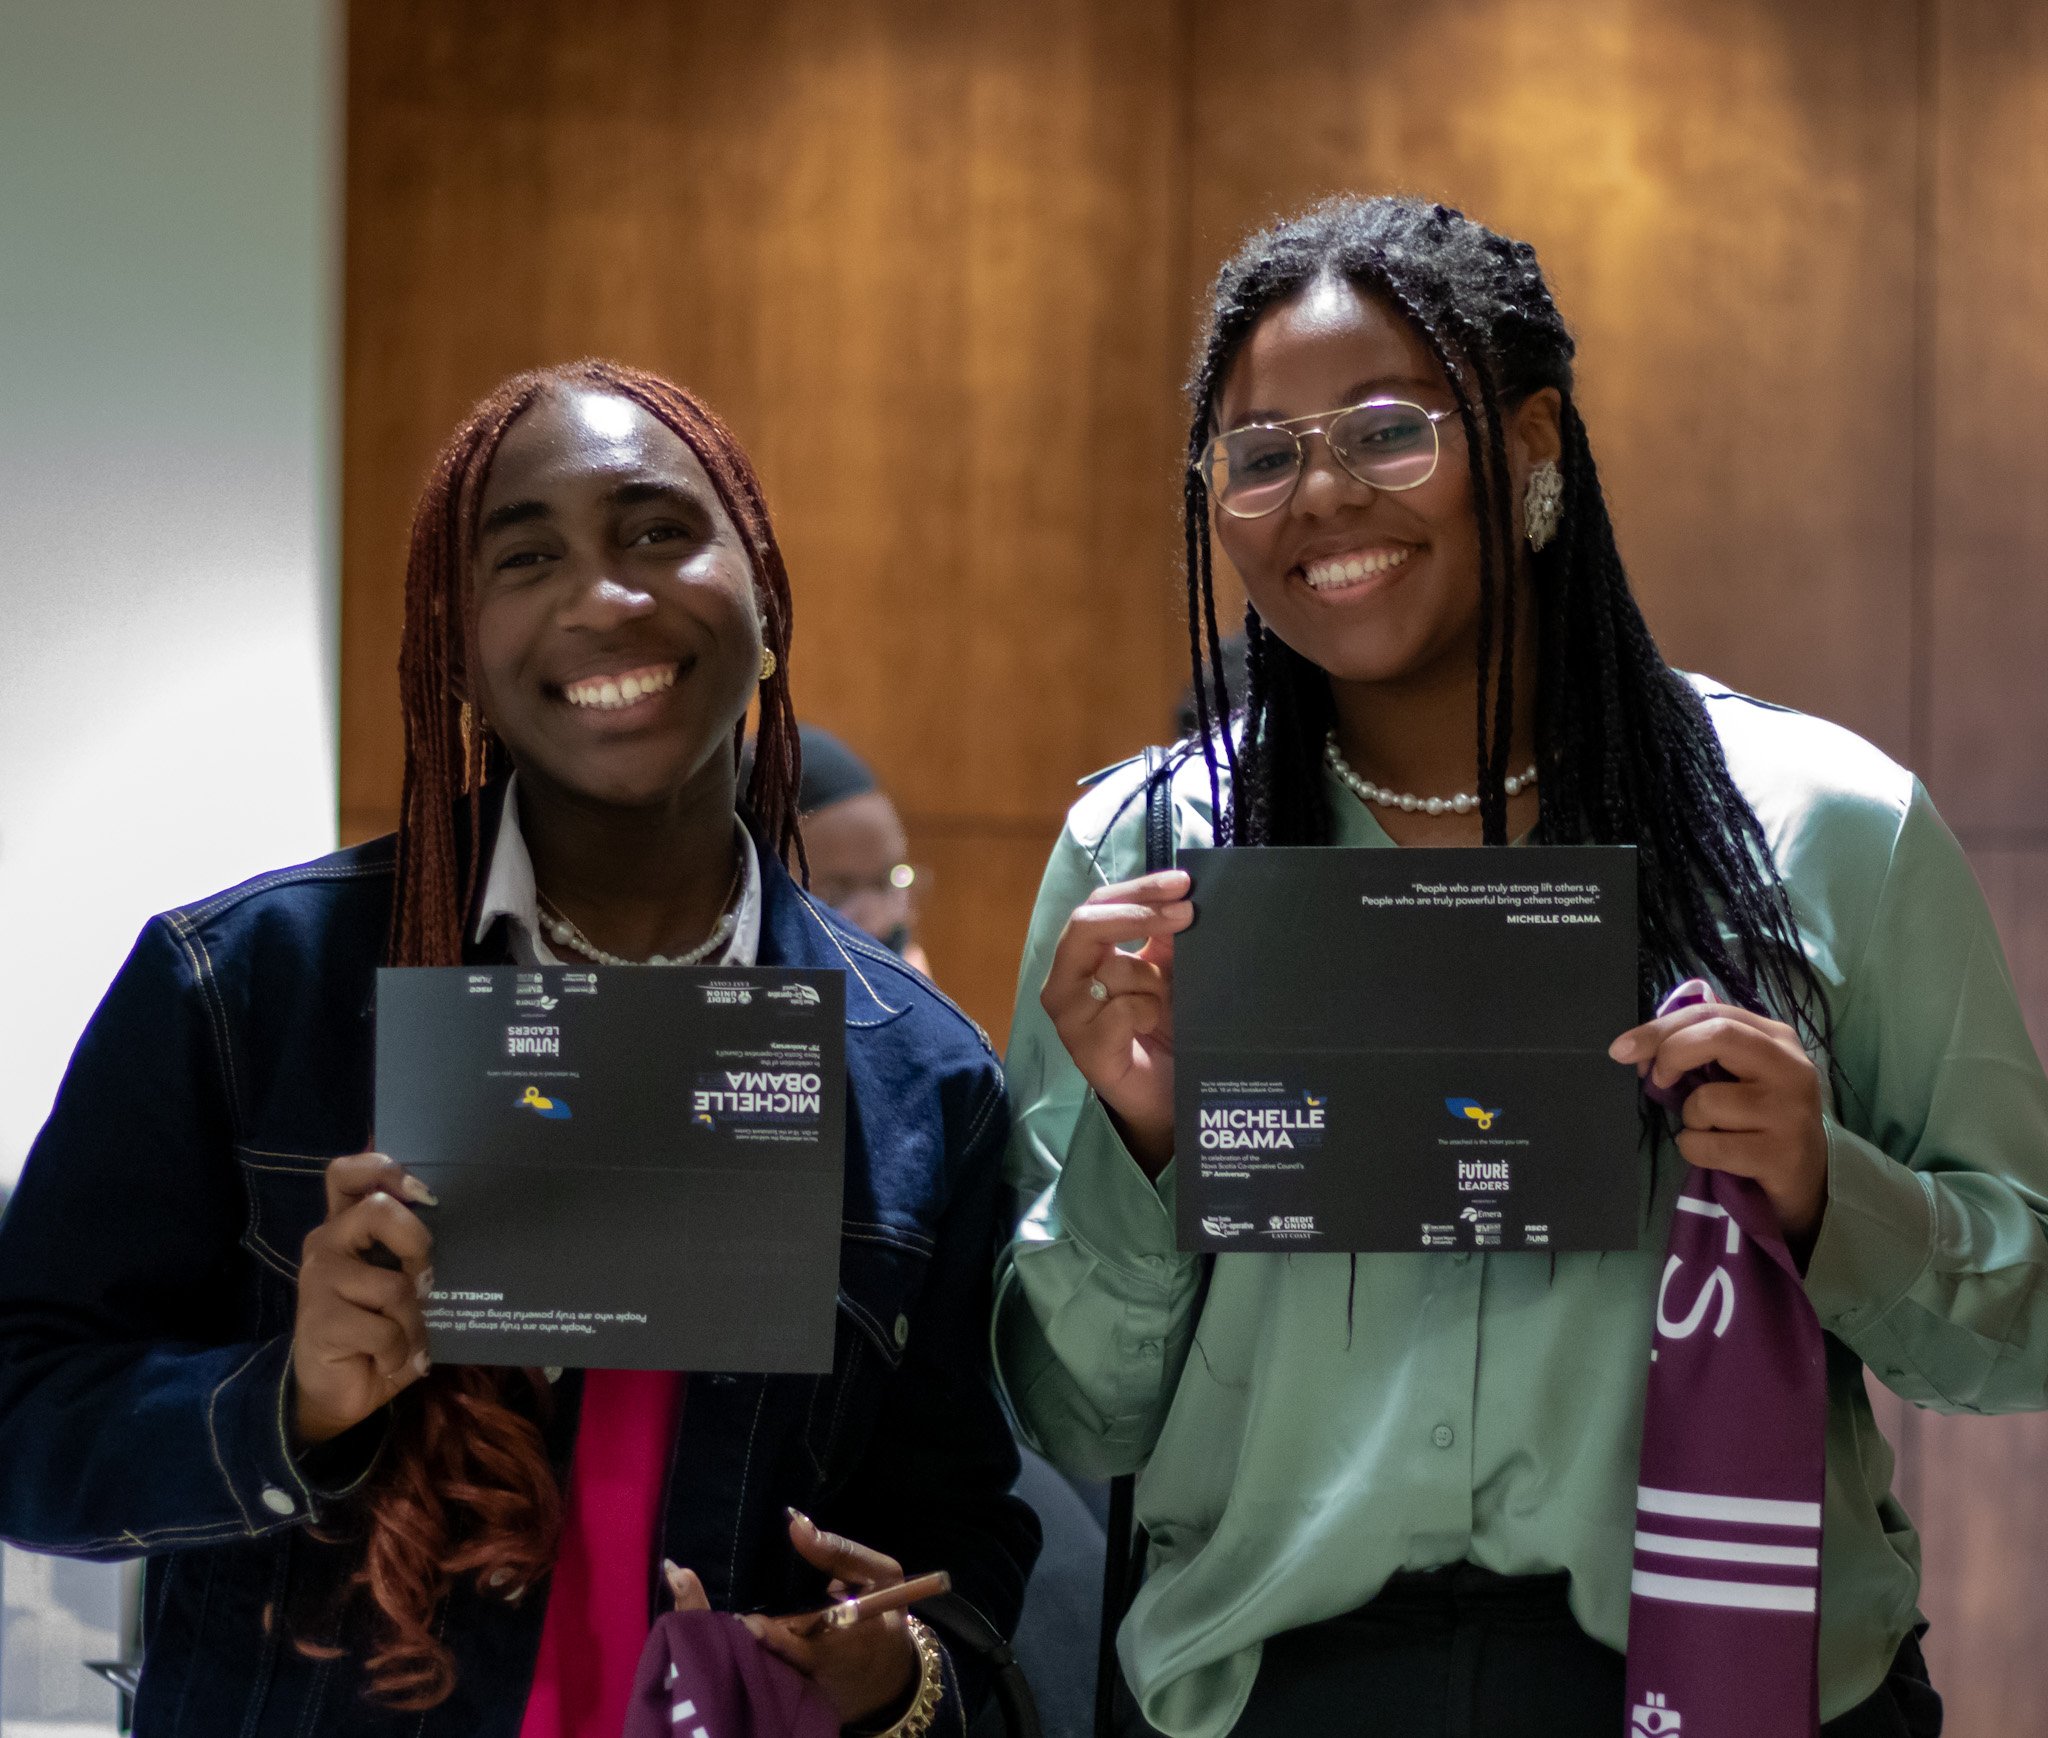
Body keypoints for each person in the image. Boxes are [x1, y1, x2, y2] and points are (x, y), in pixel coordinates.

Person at [994, 196, 2048, 1737]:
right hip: (1280, 1696)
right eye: (1264, 454)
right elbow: (1077, 1409)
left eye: (1386, 432)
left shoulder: (1826, 827)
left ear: (1535, 446)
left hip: (1733, 1686)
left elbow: (2028, 1318)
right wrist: (1142, 1152)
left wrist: (1830, 1193)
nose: (1322, 497)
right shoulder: (1140, 859)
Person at [0, 360, 1036, 1737]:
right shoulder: (246, 989)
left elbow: (963, 1542)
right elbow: (26, 1420)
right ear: (464, 646)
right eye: (526, 555)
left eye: (661, 532)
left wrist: (895, 1669)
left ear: (768, 595)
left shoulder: (919, 1076)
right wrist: (290, 1400)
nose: (603, 596)